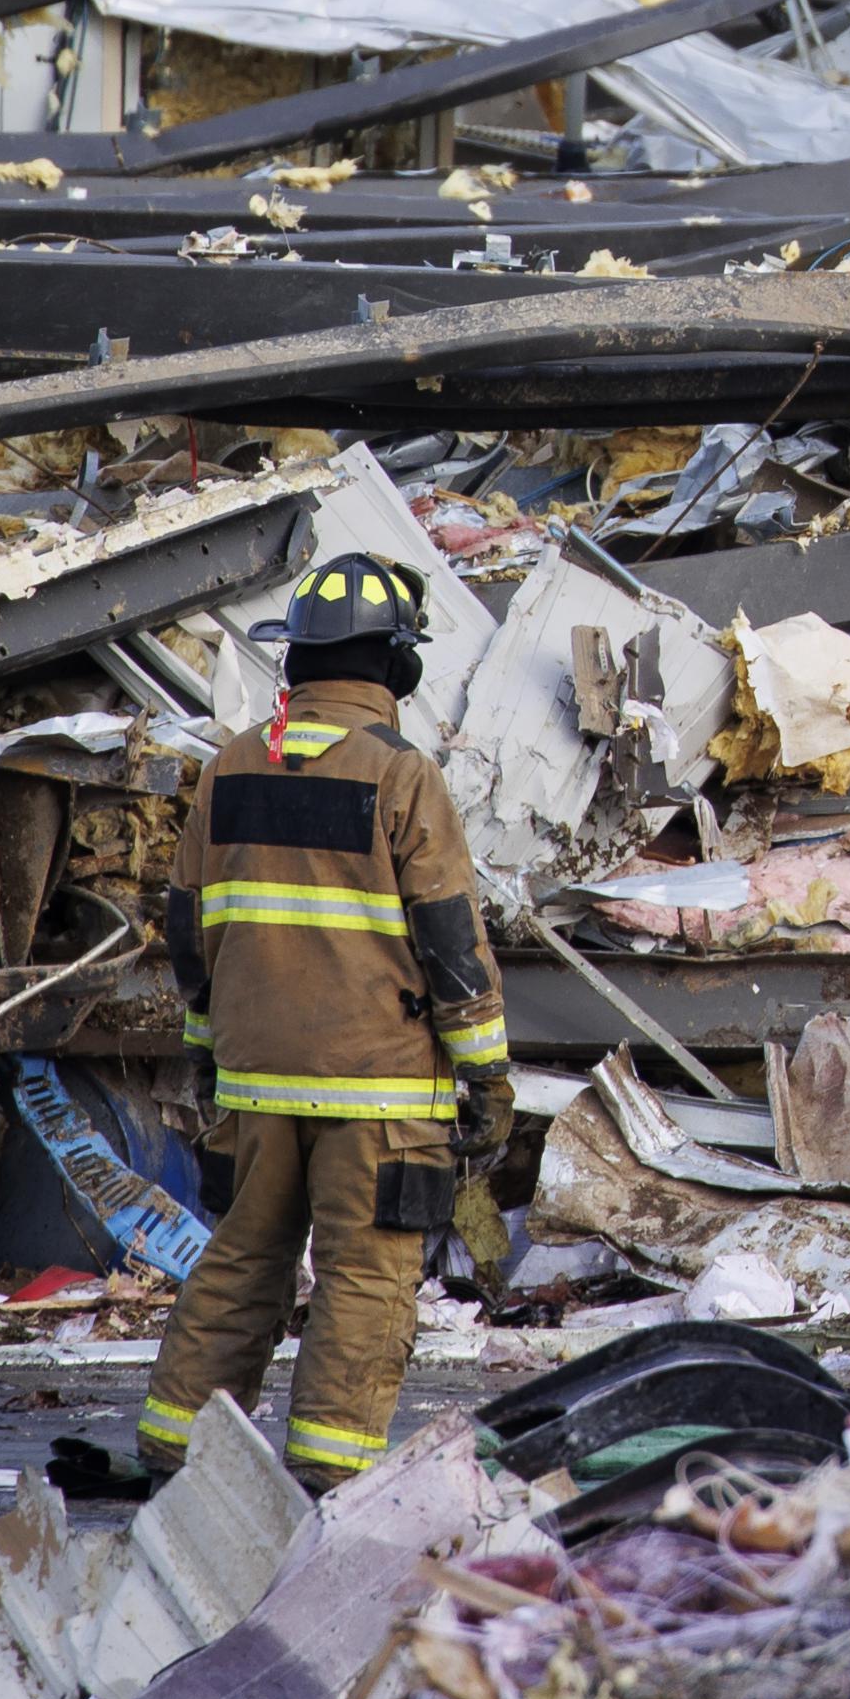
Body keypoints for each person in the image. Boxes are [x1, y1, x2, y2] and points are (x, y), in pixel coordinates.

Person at [134, 543, 509, 1492]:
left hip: (255, 1082)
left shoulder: (228, 766)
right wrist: (486, 1073)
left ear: (295, 656)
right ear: (397, 664)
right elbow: (451, 942)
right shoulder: (402, 774)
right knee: (365, 1273)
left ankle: (174, 1447)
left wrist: (210, 1052)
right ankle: (330, 1472)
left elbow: (190, 930)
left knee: (241, 1256)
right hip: (378, 1090)